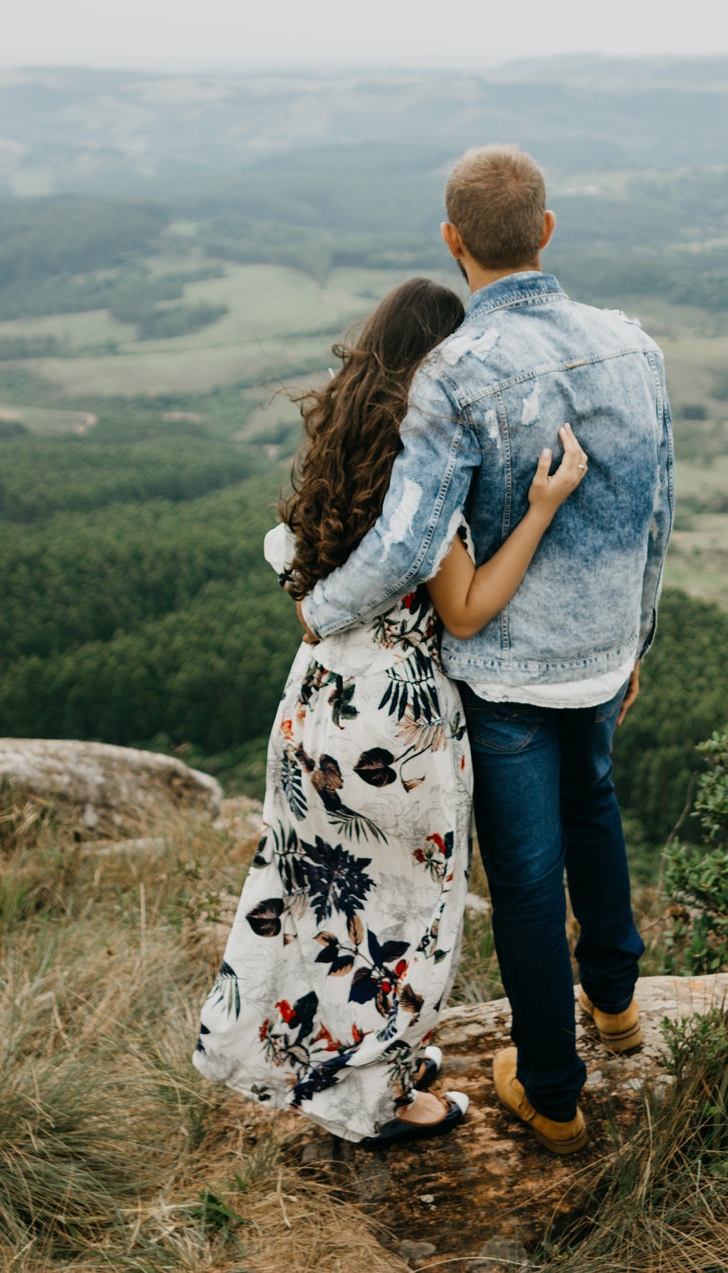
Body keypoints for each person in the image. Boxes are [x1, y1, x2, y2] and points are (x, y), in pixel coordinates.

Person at [298, 146, 674, 1156]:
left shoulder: (454, 373)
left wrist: (322, 605)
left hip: (507, 673)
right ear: (548, 230)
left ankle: (551, 1089)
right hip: (602, 651)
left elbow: (411, 544)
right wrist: (637, 635)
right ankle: (619, 1007)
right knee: (596, 808)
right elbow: (656, 514)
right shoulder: (635, 348)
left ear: (453, 241)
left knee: (525, 874)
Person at [192, 276, 590, 1148]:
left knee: (321, 901)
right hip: (396, 731)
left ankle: (347, 1061)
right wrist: (540, 511)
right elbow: (467, 610)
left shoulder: (338, 456)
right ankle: (380, 1100)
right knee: (404, 915)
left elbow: (298, 580)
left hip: (313, 707)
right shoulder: (423, 487)